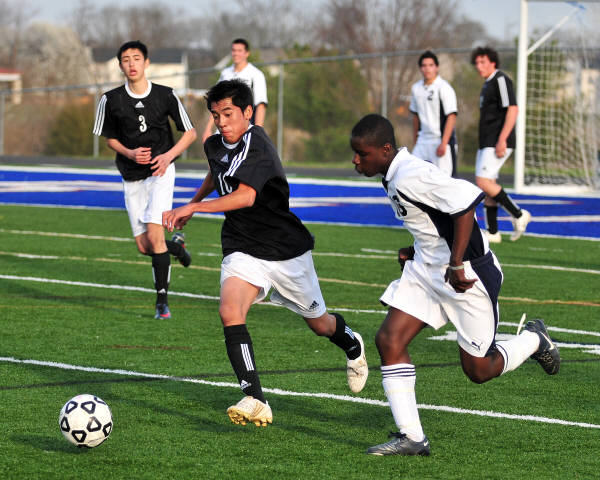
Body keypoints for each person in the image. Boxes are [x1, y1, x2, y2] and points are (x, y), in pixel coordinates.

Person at [350, 114, 560, 456]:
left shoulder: (410, 174)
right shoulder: (393, 174)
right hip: (427, 272)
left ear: (385, 149)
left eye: (362, 153)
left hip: (466, 276)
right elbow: (433, 221)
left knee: (479, 370)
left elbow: (465, 206)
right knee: (389, 340)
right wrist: (415, 250)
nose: (356, 160)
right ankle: (412, 438)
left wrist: (456, 262)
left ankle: (535, 339)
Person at [163, 79, 368, 427]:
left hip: (284, 249)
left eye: (228, 114)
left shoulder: (257, 144)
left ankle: (351, 343)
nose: (222, 122)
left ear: (247, 112)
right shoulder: (213, 144)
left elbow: (246, 196)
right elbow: (216, 173)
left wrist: (194, 208)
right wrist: (195, 201)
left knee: (320, 324)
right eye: (216, 115)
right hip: (242, 245)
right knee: (229, 310)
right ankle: (255, 398)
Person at [92, 40, 197, 320]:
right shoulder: (110, 99)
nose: (132, 64)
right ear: (120, 66)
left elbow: (190, 133)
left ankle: (162, 303)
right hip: (131, 177)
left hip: (160, 173)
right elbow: (109, 138)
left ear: (146, 62)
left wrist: (168, 157)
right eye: (126, 60)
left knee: (154, 235)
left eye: (136, 58)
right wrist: (129, 153)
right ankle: (177, 248)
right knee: (144, 246)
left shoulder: (165, 95)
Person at [472, 46, 531, 243]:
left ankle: (518, 214)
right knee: (489, 184)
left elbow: (512, 109)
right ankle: (493, 231)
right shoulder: (487, 84)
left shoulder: (501, 80)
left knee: (483, 181)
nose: (479, 66)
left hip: (497, 140)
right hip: (486, 141)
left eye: (483, 62)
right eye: (477, 63)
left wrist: (502, 139)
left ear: (493, 62)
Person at [201, 38, 268, 143]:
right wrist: (208, 129)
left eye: (239, 50)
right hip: (224, 131)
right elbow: (216, 103)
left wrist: (257, 132)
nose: (236, 53)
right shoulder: (225, 73)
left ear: (247, 53)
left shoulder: (256, 74)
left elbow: (261, 105)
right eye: (233, 50)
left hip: (244, 131)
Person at [409, 50, 458, 177]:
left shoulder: (444, 87)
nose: (427, 69)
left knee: (444, 180)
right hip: (422, 141)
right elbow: (415, 116)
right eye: (424, 65)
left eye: (431, 65)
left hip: (440, 141)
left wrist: (444, 143)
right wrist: (416, 141)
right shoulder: (416, 88)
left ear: (437, 67)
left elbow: (451, 116)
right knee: (412, 175)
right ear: (420, 68)